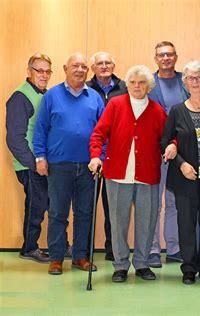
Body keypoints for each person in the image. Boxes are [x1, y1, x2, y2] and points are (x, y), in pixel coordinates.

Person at [89, 65, 168, 282]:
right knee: (118, 222)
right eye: (132, 82)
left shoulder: (157, 110)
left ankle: (142, 264)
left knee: (147, 221)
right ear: (127, 84)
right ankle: (121, 265)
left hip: (147, 175)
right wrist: (96, 155)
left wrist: (172, 146)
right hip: (117, 175)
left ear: (148, 86)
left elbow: (169, 137)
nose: (136, 86)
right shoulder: (116, 105)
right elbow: (98, 134)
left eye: (141, 82)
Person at [33, 53, 104, 275]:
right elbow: (40, 129)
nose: (80, 70)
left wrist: (100, 157)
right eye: (76, 65)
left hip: (88, 167)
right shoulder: (51, 96)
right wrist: (40, 158)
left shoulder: (94, 98)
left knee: (84, 213)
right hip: (59, 165)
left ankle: (80, 256)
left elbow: (103, 133)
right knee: (57, 213)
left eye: (84, 66)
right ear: (65, 68)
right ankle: (56, 258)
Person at [162, 61, 200, 285]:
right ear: (185, 83)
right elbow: (165, 142)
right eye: (190, 78)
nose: (195, 82)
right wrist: (180, 163)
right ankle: (189, 268)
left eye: (199, 77)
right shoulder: (177, 111)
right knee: (186, 225)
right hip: (184, 179)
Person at [6, 53, 52, 263]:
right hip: (31, 165)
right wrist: (34, 163)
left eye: (47, 71)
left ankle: (59, 245)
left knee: (53, 205)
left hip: (45, 163)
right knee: (36, 206)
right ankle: (29, 248)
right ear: (29, 71)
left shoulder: (44, 94)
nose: (44, 75)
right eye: (39, 70)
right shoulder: (20, 97)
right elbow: (15, 138)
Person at [148, 41, 187, 268]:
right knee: (154, 203)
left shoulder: (185, 81)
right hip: (154, 152)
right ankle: (153, 249)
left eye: (170, 54)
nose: (166, 58)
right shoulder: (149, 83)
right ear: (156, 59)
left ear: (175, 57)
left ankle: (173, 248)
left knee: (174, 202)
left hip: (179, 152)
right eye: (161, 55)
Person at [86, 51, 128, 261]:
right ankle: (85, 250)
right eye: (99, 63)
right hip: (91, 156)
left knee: (114, 206)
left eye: (108, 62)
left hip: (116, 155)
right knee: (88, 205)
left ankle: (114, 249)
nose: (104, 66)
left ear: (114, 65)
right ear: (92, 68)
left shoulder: (125, 87)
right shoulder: (85, 89)